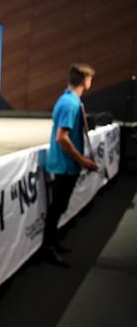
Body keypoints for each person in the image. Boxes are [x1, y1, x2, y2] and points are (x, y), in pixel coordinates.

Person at [44, 63, 98, 267]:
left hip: (65, 164)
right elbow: (62, 138)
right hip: (65, 165)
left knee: (59, 206)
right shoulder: (71, 104)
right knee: (57, 207)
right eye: (90, 79)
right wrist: (82, 160)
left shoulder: (68, 100)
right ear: (85, 81)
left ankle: (53, 241)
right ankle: (49, 247)